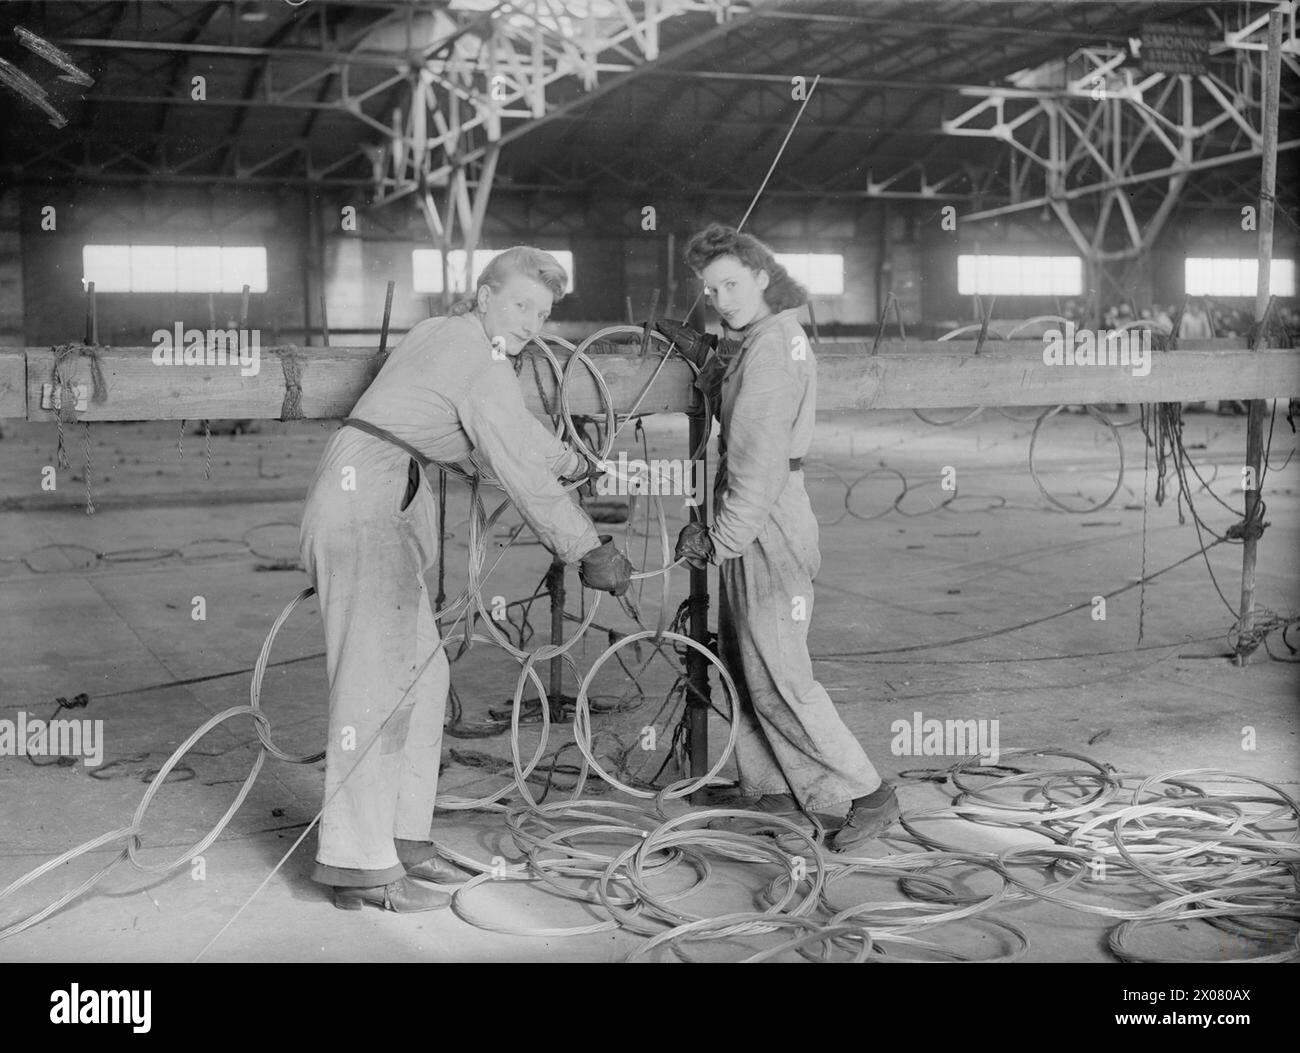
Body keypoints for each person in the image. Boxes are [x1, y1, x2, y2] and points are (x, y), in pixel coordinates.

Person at [299, 247, 632, 912]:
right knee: (374, 688)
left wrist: (574, 462)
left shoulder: (447, 336)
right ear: (484, 296)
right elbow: (512, 458)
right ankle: (357, 865)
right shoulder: (475, 355)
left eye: (542, 313)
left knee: (422, 678)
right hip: (365, 502)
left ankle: (402, 836)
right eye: (520, 304)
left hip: (378, 494)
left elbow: (511, 431)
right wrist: (586, 546)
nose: (532, 323)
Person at [672, 224, 898, 853]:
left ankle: (867, 793)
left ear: (762, 275)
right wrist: (714, 364)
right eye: (711, 290)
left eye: (731, 284)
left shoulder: (772, 349)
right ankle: (773, 791)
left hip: (766, 515)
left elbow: (758, 463)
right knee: (745, 665)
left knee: (779, 674)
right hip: (763, 512)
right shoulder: (768, 337)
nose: (720, 299)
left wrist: (718, 540)